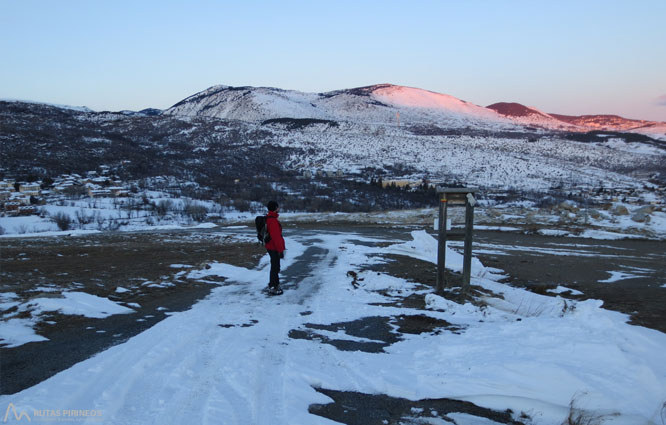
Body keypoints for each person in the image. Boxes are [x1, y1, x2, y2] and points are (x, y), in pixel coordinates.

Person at [265, 200, 286, 295]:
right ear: (275, 208)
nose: (279, 208)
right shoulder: (272, 221)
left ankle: (274, 284)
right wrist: (280, 250)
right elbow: (276, 237)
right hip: (273, 247)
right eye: (277, 207)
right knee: (275, 267)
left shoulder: (270, 218)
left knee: (275, 266)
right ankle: (273, 286)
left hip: (271, 246)